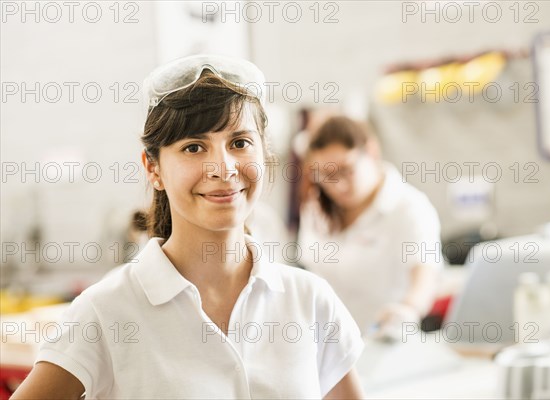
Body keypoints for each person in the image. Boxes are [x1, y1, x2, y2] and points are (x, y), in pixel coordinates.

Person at [12, 55, 364, 399]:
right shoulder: (106, 311)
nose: (223, 168)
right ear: (153, 169)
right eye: (194, 147)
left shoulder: (310, 299)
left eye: (239, 143)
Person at [297, 116, 443, 336]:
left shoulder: (408, 208)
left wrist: (408, 309)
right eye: (326, 175)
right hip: (326, 343)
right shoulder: (316, 209)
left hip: (383, 342)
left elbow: (424, 274)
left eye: (346, 170)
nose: (338, 185)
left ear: (371, 152)